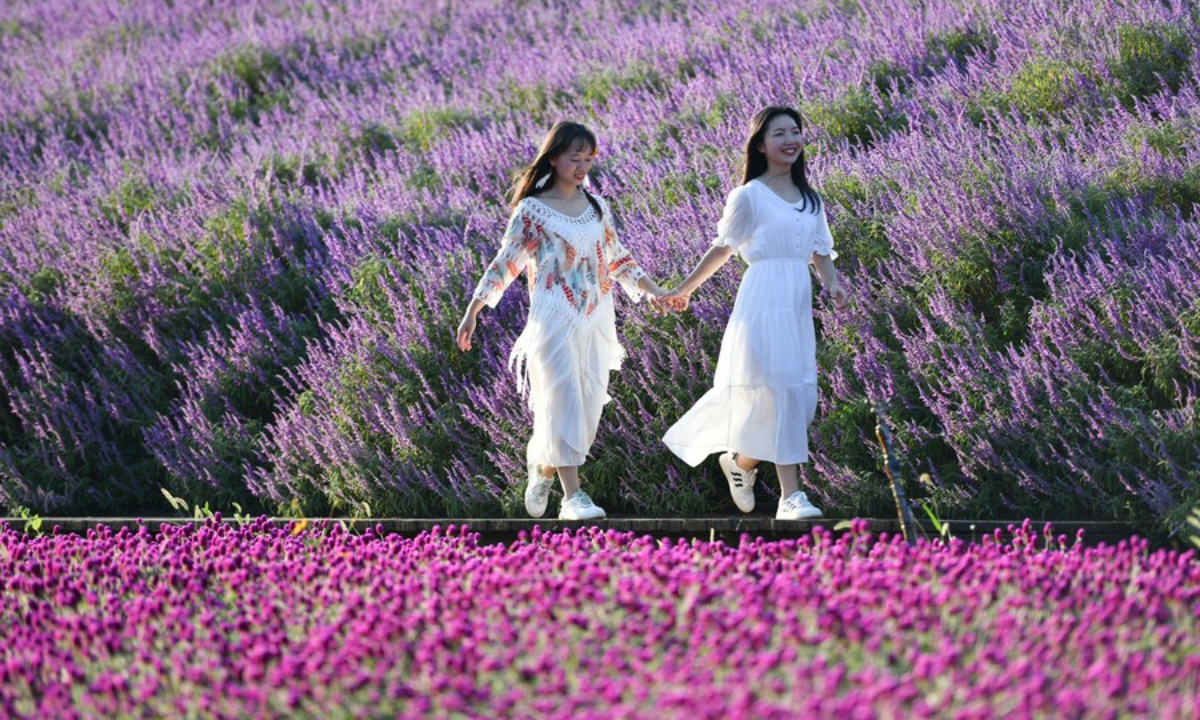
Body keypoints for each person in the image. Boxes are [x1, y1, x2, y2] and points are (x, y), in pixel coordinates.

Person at [457, 121, 669, 520]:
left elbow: (619, 257)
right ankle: (573, 498)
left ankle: (543, 463)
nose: (583, 166)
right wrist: (475, 308)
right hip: (553, 317)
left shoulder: (597, 207)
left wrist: (654, 292)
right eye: (575, 158)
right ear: (553, 158)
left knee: (588, 409)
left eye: (589, 159)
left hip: (597, 318)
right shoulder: (532, 210)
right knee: (563, 400)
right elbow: (508, 261)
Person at [661, 106, 849, 520]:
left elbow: (821, 251)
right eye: (779, 133)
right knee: (778, 391)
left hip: (796, 301)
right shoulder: (748, 196)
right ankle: (790, 497)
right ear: (760, 145)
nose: (790, 140)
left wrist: (832, 285)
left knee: (795, 397)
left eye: (795, 132)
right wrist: (685, 289)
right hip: (762, 301)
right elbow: (724, 247)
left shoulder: (811, 199)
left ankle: (741, 462)